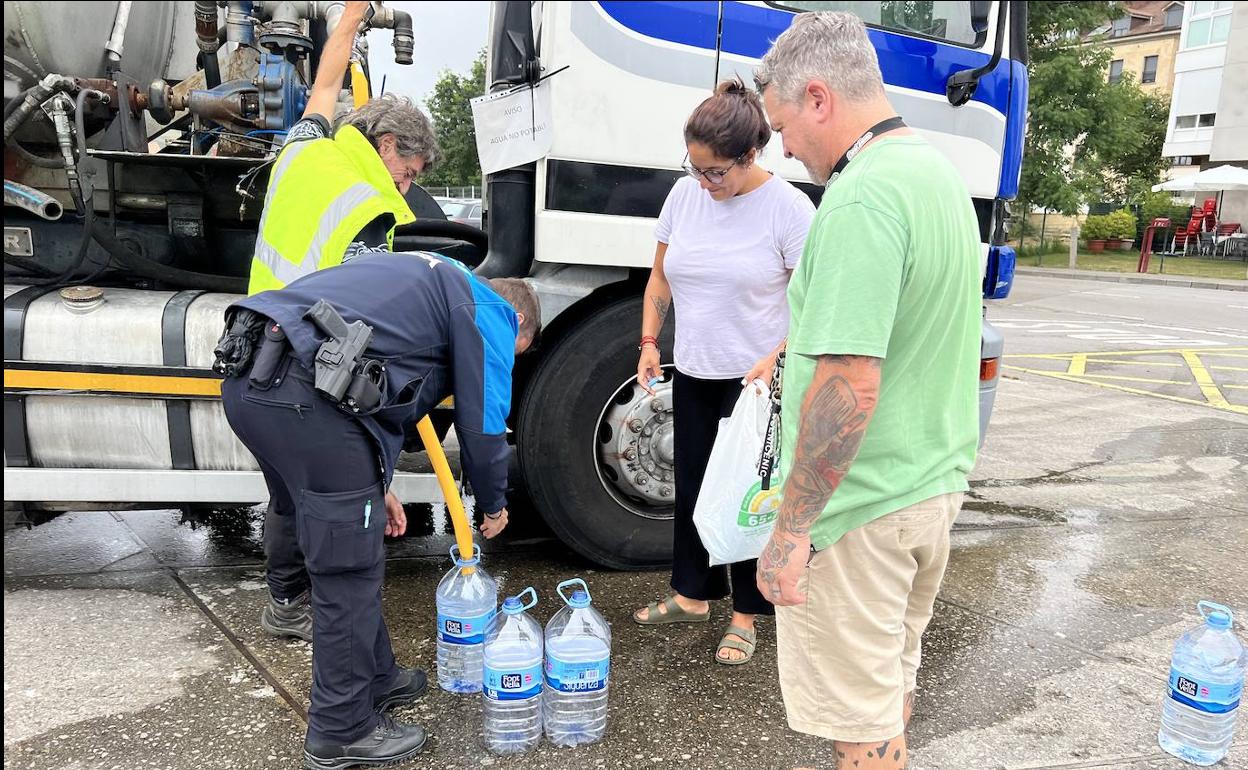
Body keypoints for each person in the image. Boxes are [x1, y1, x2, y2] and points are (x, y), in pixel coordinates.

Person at [752, 12, 983, 770]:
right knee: (886, 694)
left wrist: (790, 534)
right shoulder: (934, 174)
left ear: (818, 98)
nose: (783, 146)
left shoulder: (860, 198)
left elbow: (850, 382)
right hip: (927, 489)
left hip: (860, 515)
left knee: (860, 723)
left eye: (784, 124)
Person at [217, 250, 540, 768]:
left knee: (307, 515)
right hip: (307, 394)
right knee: (349, 569)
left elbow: (376, 387)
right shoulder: (492, 314)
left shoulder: (429, 274)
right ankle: (342, 729)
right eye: (518, 350)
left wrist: (376, 482)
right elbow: (483, 427)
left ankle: (375, 676)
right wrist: (495, 505)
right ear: (519, 321)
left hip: (250, 374)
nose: (510, 354)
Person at [249, 0, 441, 645]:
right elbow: (358, 324)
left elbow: (326, 83)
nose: (409, 187)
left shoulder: (306, 150)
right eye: (409, 171)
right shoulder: (367, 208)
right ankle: (315, 610)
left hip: (250, 348)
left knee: (282, 490)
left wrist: (351, 18)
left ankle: (281, 602)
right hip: (303, 365)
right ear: (387, 145)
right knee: (323, 495)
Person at [632, 79, 815, 665]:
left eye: (716, 173)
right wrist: (649, 340)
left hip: (757, 385)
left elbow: (816, 301)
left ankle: (747, 615)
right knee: (691, 489)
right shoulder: (685, 197)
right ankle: (691, 594)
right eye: (695, 169)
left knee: (745, 497)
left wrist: (781, 353)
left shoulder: (787, 209)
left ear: (750, 156)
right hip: (696, 370)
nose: (705, 183)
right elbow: (659, 277)